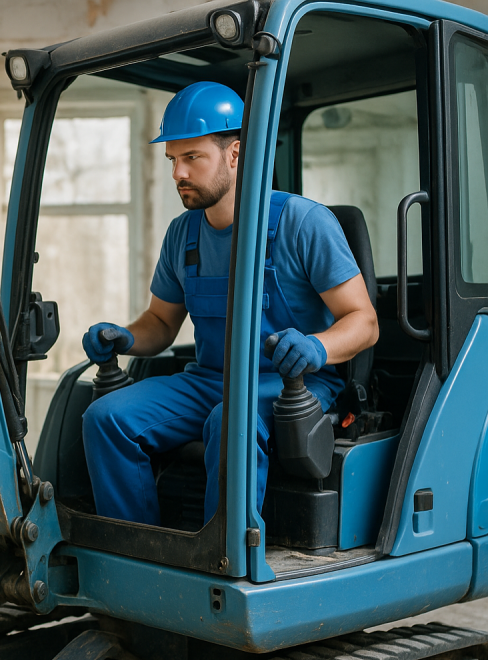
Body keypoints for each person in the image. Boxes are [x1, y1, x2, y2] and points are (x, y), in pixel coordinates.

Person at [81, 81, 379, 526]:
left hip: (290, 386)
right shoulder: (183, 235)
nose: (178, 173)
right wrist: (124, 337)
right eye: (173, 160)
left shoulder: (302, 223)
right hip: (209, 381)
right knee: (105, 418)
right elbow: (161, 322)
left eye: (192, 158)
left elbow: (364, 321)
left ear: (235, 153)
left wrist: (317, 347)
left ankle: (221, 557)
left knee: (230, 420)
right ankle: (138, 553)